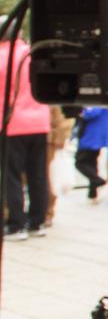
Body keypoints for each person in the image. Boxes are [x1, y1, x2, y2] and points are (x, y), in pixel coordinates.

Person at [2, 34, 50, 239]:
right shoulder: (32, 52)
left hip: (13, 122)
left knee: (11, 174)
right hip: (40, 120)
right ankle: (37, 221)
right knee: (38, 173)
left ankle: (16, 223)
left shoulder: (4, 55)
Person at [73, 105, 108, 202]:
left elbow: (90, 113)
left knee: (80, 163)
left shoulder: (99, 102)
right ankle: (92, 193)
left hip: (91, 136)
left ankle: (99, 181)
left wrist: (82, 112)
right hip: (97, 136)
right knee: (92, 163)